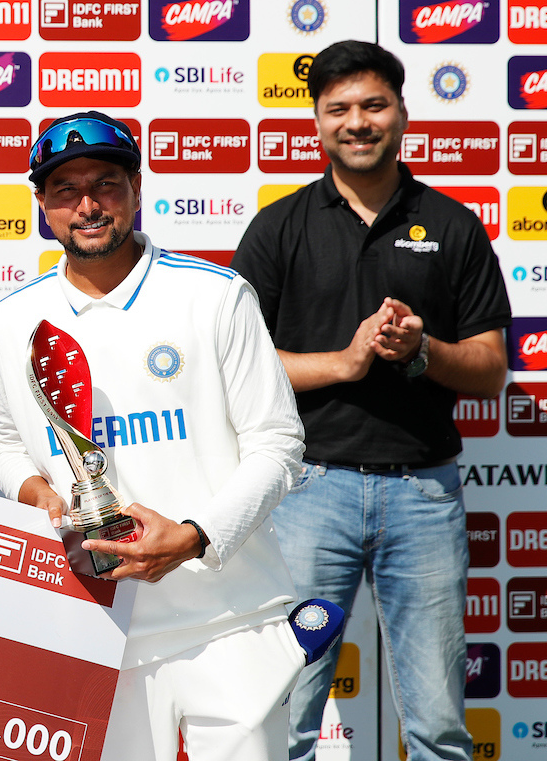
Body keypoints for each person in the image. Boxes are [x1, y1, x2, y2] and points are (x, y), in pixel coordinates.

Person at [0, 111, 307, 761]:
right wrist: (36, 492)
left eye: (105, 183)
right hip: (97, 623)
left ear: (136, 186)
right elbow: (5, 442)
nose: (88, 205)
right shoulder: (10, 319)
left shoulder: (213, 296)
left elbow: (278, 445)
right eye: (66, 190)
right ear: (42, 203)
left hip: (229, 617)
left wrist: (193, 538)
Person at [232, 40, 510, 761]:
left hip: (424, 493)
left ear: (402, 113)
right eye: (339, 109)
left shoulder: (453, 225)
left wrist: (424, 351)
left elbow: (489, 372)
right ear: (317, 123)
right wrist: (346, 362)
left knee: (440, 726)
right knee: (282, 711)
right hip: (306, 492)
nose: (358, 121)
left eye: (373, 104)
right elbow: (239, 373)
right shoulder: (279, 228)